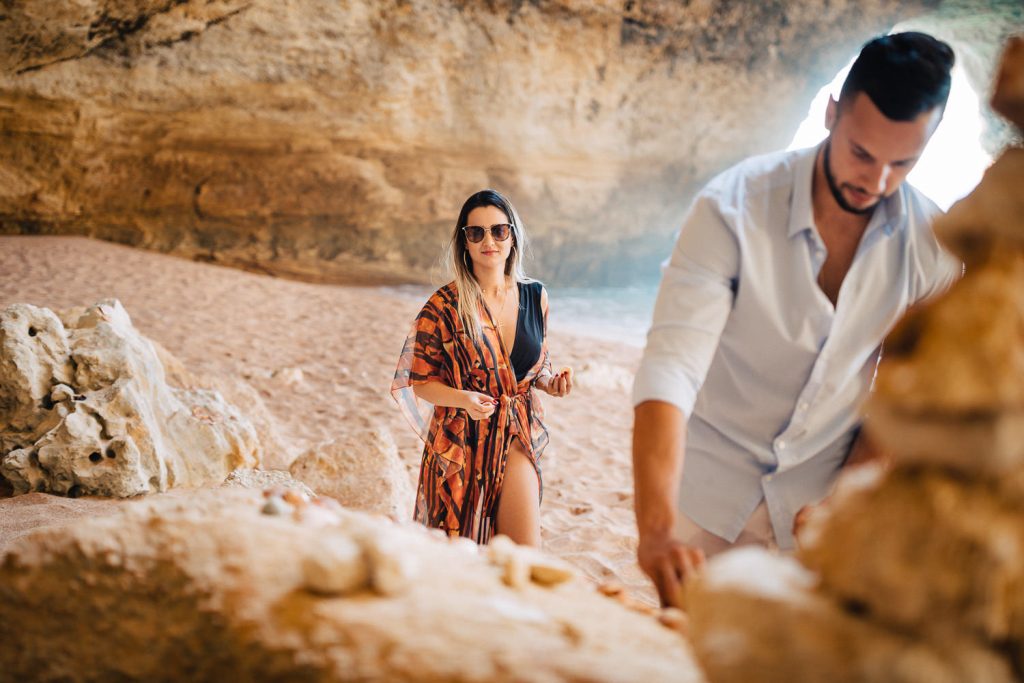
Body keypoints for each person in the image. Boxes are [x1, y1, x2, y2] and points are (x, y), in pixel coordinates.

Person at [631, 31, 962, 606]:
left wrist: (843, 501)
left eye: (901, 163)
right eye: (861, 152)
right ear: (832, 114)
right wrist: (656, 529)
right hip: (704, 496)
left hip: (820, 513)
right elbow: (671, 368)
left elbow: (900, 397)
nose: (876, 181)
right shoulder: (730, 208)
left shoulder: (932, 251)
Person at [392, 189, 572, 547]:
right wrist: (463, 399)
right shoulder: (444, 305)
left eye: (498, 230)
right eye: (476, 233)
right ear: (465, 243)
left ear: (513, 236)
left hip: (514, 432)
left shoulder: (536, 296)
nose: (488, 240)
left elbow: (536, 365)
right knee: (460, 557)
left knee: (523, 553)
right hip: (460, 440)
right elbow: (421, 382)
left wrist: (551, 383)